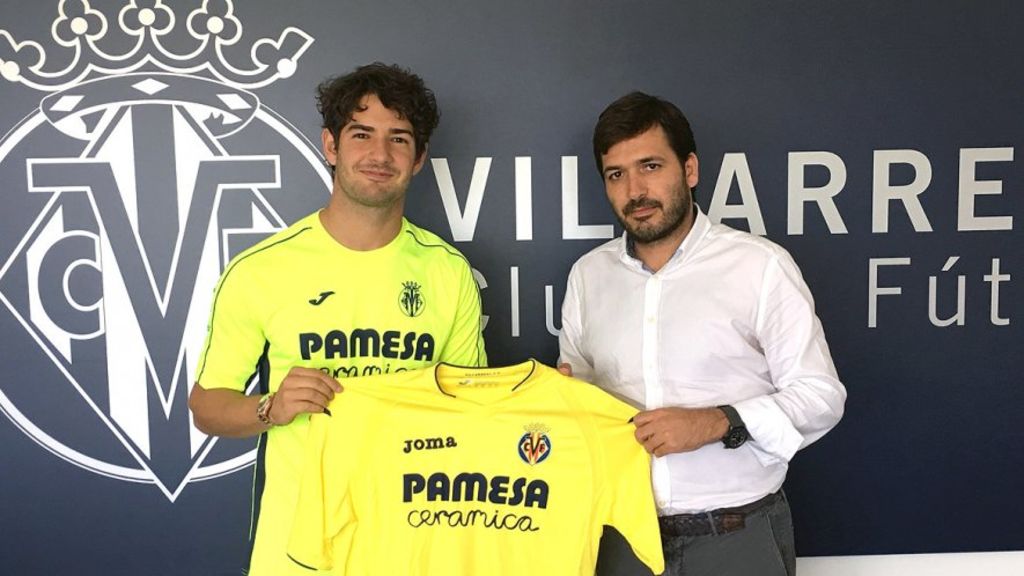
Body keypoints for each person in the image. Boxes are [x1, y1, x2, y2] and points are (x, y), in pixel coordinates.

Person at [188, 63, 487, 576]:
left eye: (399, 138)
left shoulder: (448, 271)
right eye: (361, 134)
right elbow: (206, 407)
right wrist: (272, 407)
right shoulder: (261, 269)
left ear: (419, 158)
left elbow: (472, 410)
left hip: (412, 549)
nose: (380, 155)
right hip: (295, 554)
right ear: (331, 145)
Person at [558, 91, 846, 576]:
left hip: (736, 537)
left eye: (651, 166)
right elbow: (583, 404)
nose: (635, 191)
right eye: (616, 174)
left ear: (689, 170)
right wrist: (566, 401)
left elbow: (821, 397)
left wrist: (718, 422)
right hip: (622, 539)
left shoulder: (760, 266)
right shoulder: (588, 277)